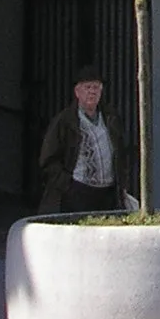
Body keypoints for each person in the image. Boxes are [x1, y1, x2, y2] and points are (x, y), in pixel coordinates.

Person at [38, 66, 127, 213]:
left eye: (96, 87)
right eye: (87, 87)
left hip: (108, 193)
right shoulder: (65, 121)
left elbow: (122, 152)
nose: (92, 91)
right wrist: (67, 185)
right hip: (78, 192)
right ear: (77, 92)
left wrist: (122, 183)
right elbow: (48, 160)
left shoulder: (111, 118)